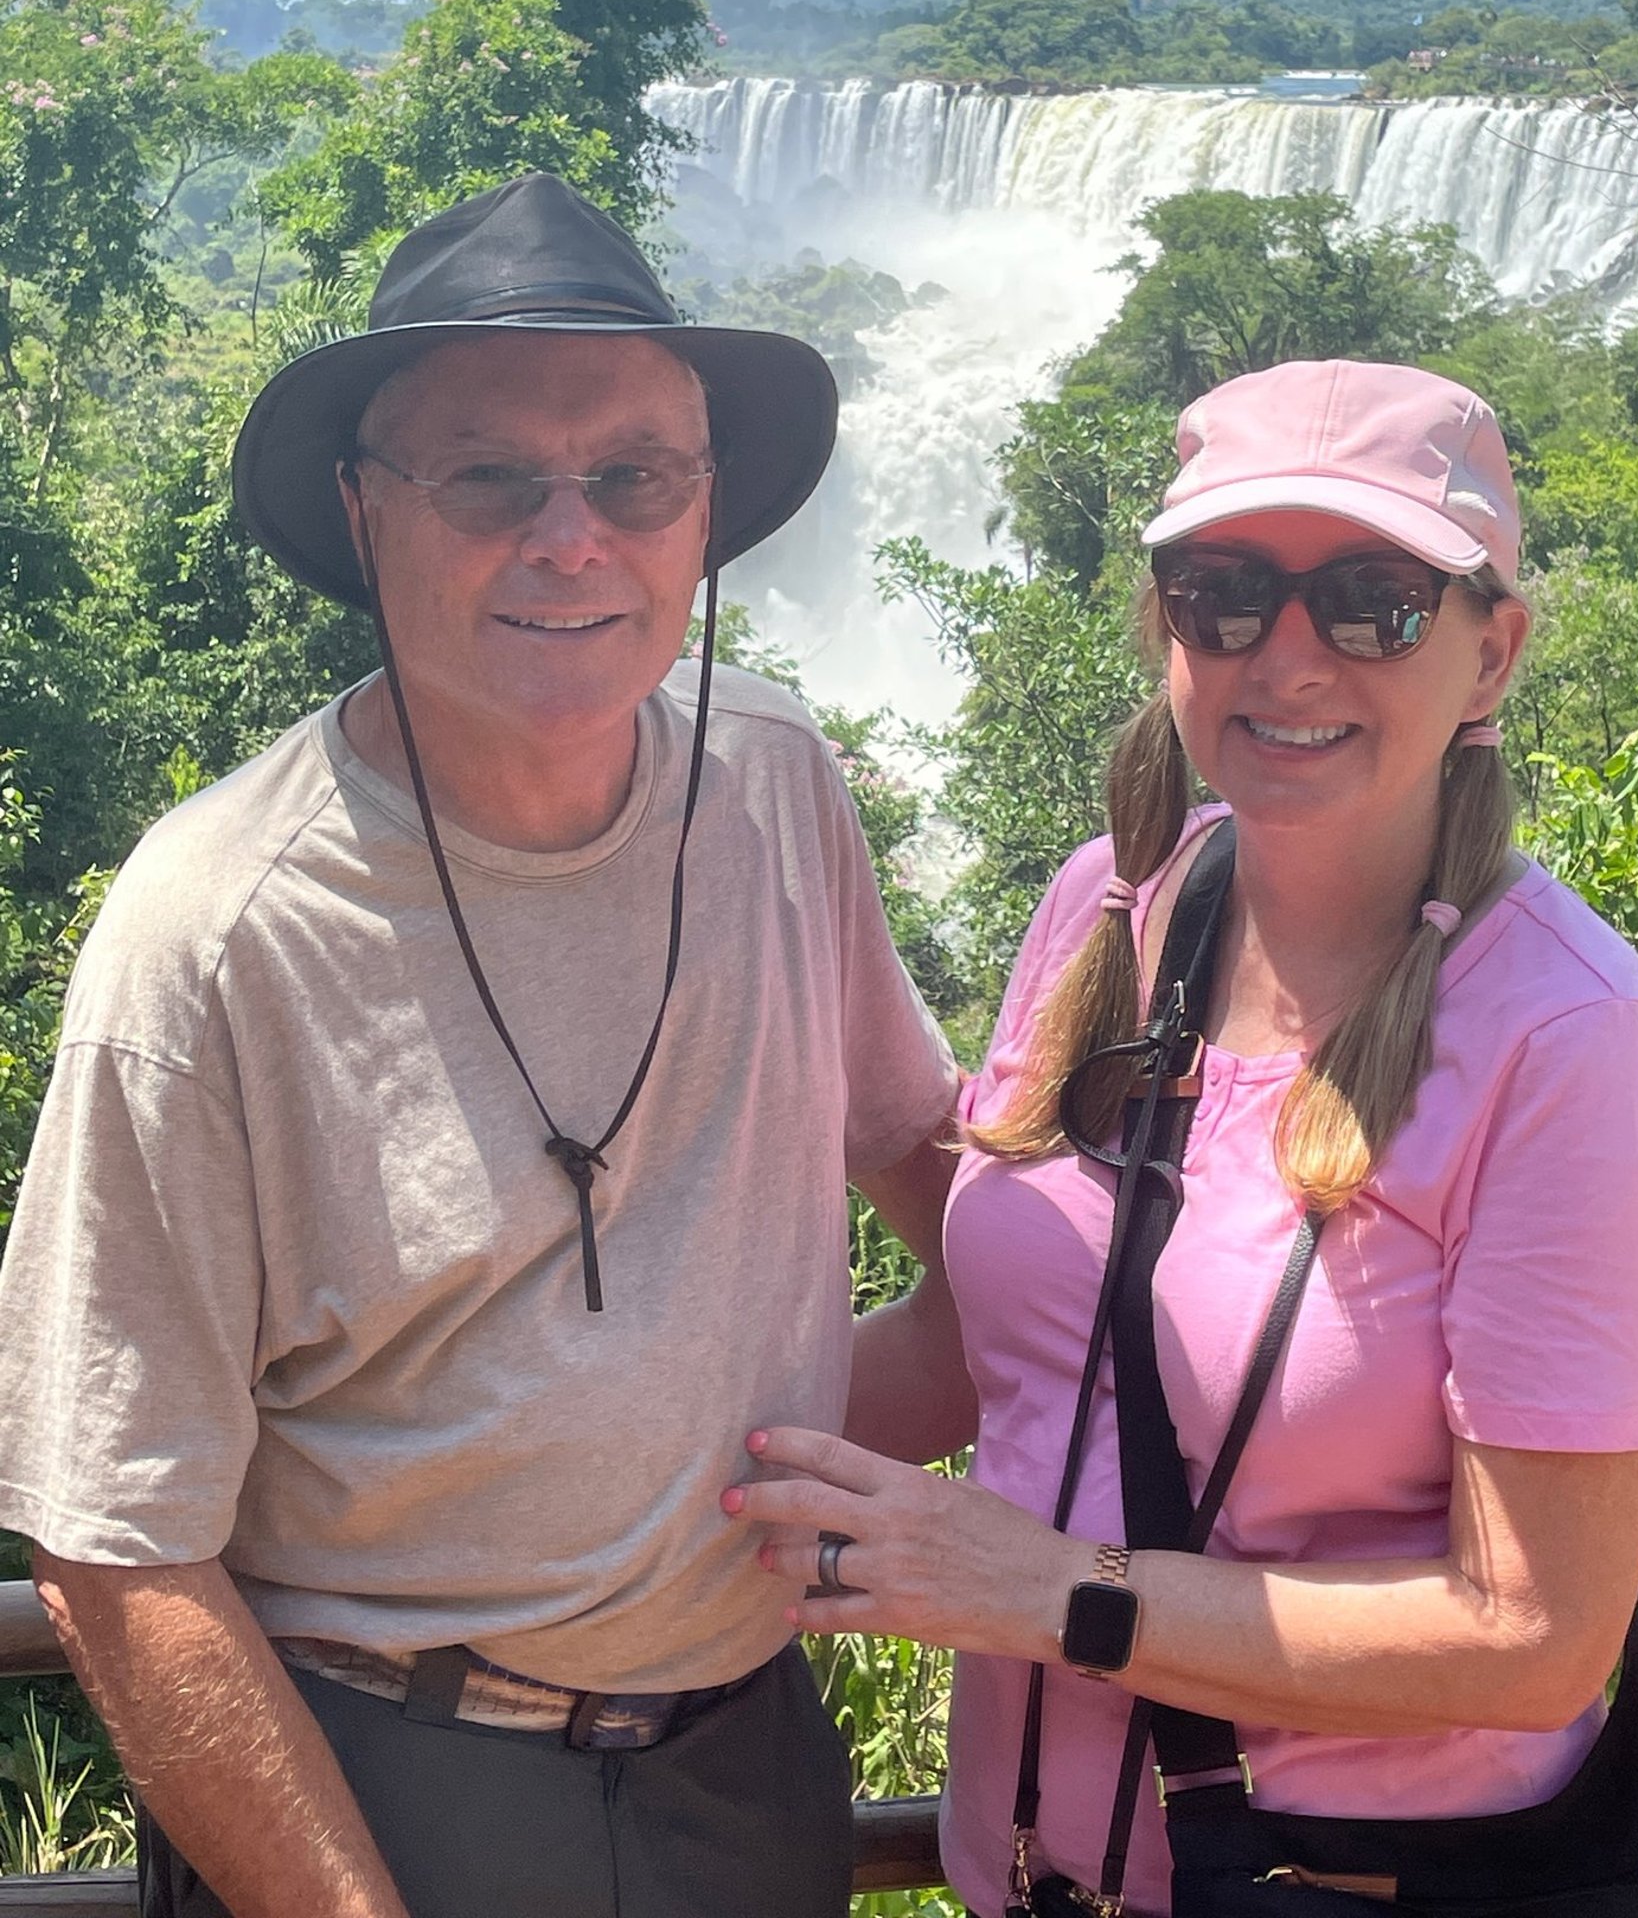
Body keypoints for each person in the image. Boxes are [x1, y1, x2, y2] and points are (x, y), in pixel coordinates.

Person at [0, 173, 961, 1918]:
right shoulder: (218, 929)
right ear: (364, 512)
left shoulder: (773, 783)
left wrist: (773, 1446)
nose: (571, 536)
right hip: (378, 1776)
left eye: (636, 475)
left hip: (746, 1762)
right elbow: (113, 1543)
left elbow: (931, 1169)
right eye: (489, 477)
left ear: (705, 508)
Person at [733, 360, 1638, 1917]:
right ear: (1168, 627)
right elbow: (1006, 1347)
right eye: (1227, 594)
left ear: (1492, 654)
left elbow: (1530, 1639)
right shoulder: (1114, 907)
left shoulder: (1568, 1045)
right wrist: (617, 1444)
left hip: (1352, 1884)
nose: (1290, 655)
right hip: (1031, 1878)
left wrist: (1052, 1594)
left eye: (1377, 603)